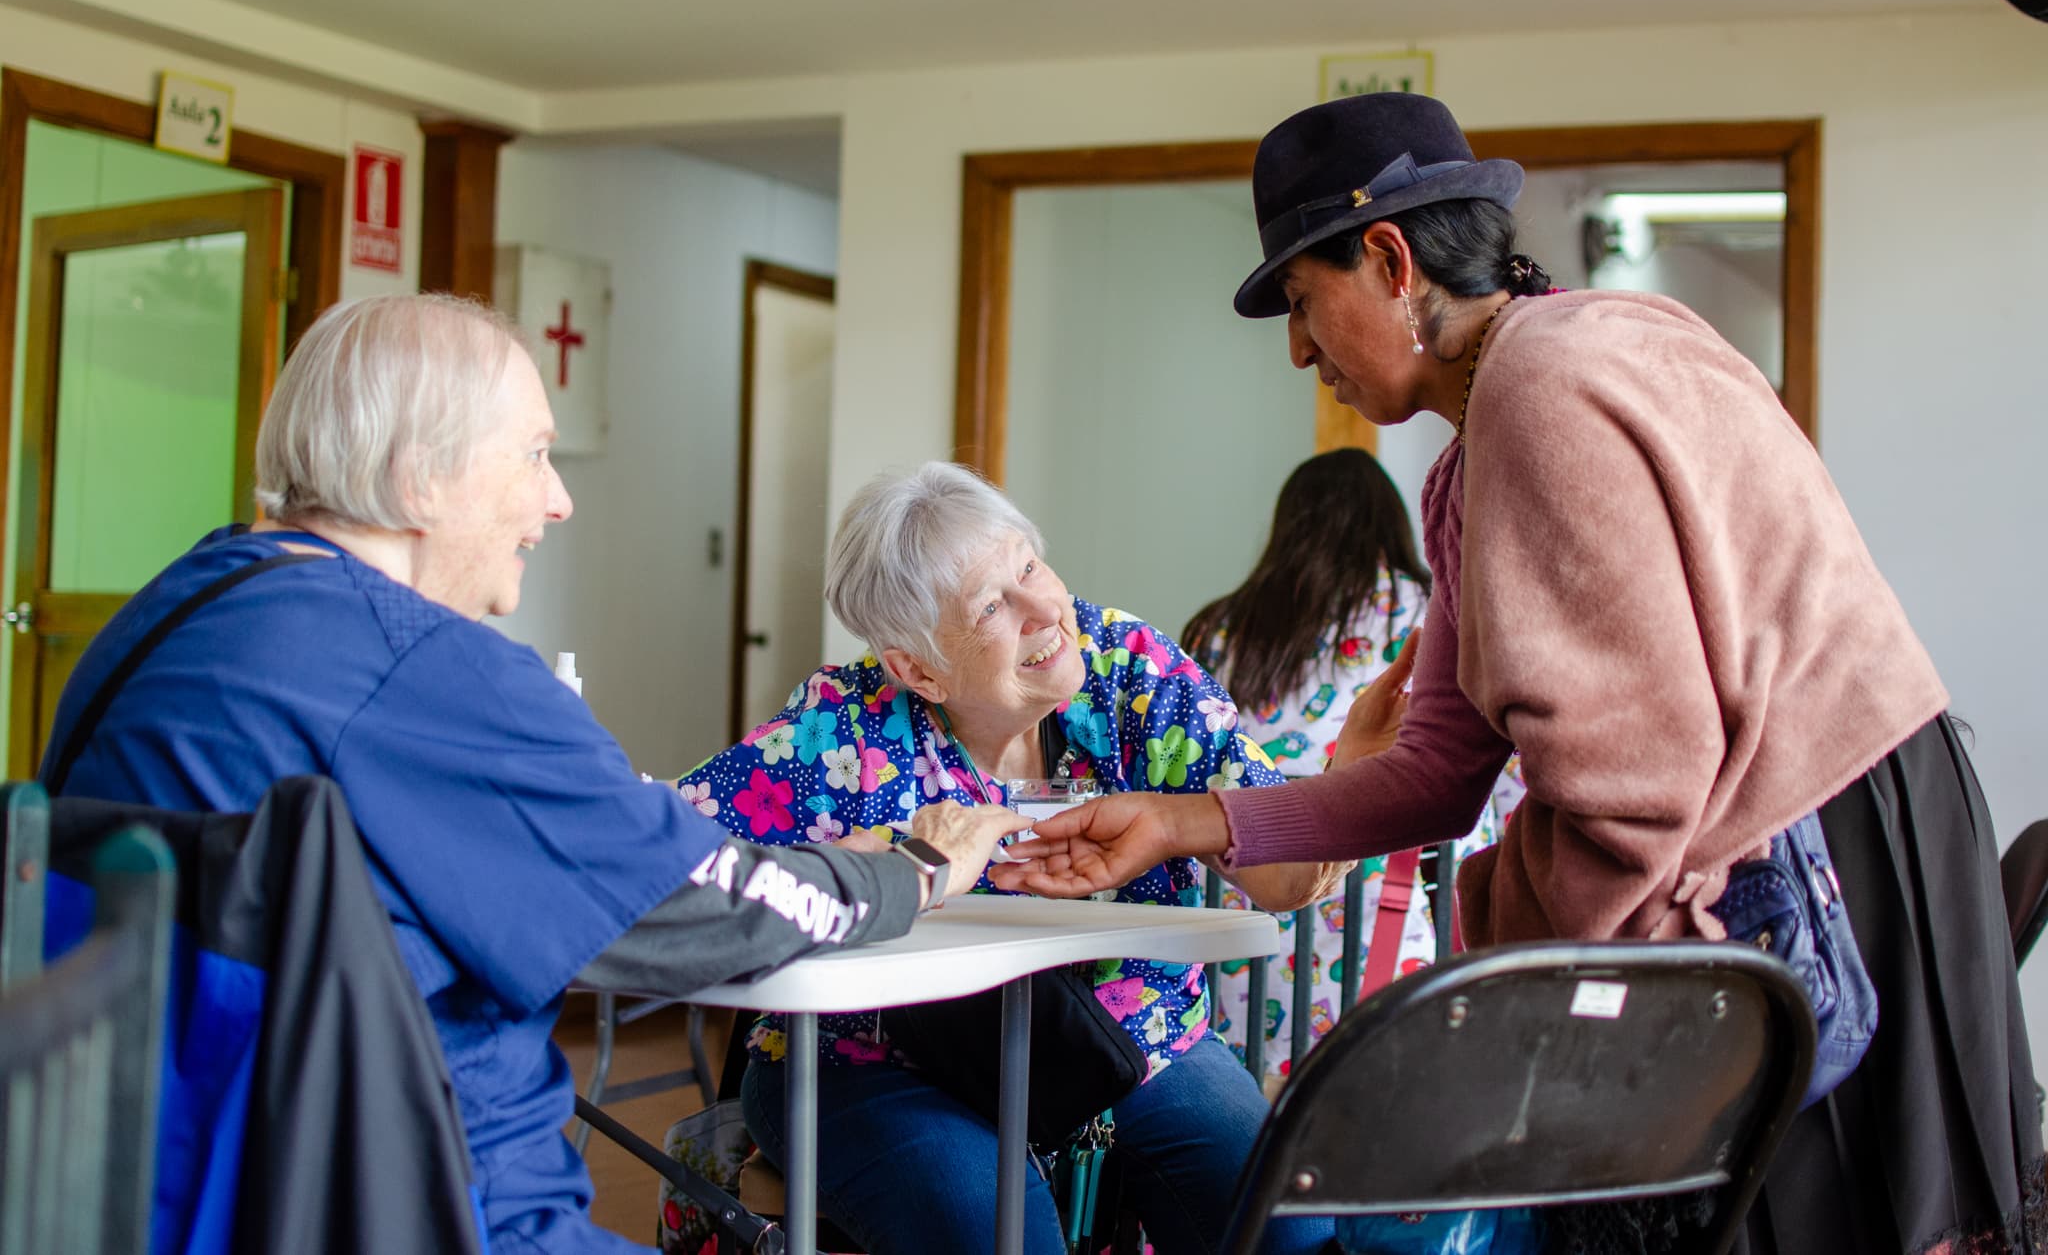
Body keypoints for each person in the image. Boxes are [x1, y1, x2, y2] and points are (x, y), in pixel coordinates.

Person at [997, 93, 2043, 1253]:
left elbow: (1638, 795)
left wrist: (1488, 926)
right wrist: (1179, 819)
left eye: (1302, 303)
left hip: (1808, 848)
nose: (1297, 350)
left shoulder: (1540, 391)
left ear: (1389, 261)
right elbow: (1440, 767)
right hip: (1857, 806)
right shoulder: (1511, 422)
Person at [43, 294, 1021, 1255]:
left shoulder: (164, 617)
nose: (557, 499)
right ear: (419, 475)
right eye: (533, 452)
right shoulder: (417, 666)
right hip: (429, 1203)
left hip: (182, 1195)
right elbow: (697, 908)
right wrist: (911, 868)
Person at [679, 461, 1339, 1255]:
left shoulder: (1130, 673)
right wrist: (843, 868)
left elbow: (1287, 879)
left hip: (1133, 1025)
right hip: (876, 1058)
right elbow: (659, 860)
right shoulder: (839, 734)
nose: (1044, 611)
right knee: (1003, 1236)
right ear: (916, 669)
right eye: (992, 605)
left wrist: (1184, 821)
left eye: (1029, 566)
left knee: (1288, 1226)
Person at [1181, 447, 1524, 1088]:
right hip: (1385, 904)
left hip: (1253, 910)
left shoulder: (1219, 630)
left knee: (1265, 1105)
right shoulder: (1425, 610)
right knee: (1384, 1101)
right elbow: (1497, 770)